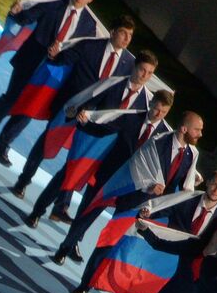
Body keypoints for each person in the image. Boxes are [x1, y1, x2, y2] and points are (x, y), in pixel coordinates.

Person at [0, 16, 138, 184]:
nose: (127, 39)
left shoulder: (130, 64)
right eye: (123, 33)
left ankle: (62, 203)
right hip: (69, 107)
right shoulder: (90, 46)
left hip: (92, 117)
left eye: (130, 35)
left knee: (77, 157)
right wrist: (54, 55)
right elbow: (67, 58)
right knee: (47, 142)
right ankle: (24, 179)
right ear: (112, 32)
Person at [57, 111, 204, 268]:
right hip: (124, 184)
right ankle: (65, 248)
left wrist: (191, 183)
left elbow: (182, 184)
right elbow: (138, 163)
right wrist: (149, 185)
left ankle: (89, 279)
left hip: (142, 203)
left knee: (113, 238)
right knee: (89, 214)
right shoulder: (158, 141)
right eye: (197, 129)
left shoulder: (191, 154)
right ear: (183, 129)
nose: (200, 134)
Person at [99, 172, 217, 293]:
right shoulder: (186, 199)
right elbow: (163, 206)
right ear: (207, 182)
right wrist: (148, 213)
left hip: (185, 270)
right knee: (142, 290)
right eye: (214, 184)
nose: (216, 190)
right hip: (165, 257)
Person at [23, 56, 162, 217]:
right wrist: (81, 113)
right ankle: (37, 212)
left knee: (94, 191)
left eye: (150, 73)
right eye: (142, 70)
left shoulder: (148, 102)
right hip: (91, 138)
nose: (145, 75)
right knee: (68, 174)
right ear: (134, 67)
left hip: (112, 150)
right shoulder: (113, 83)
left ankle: (72, 235)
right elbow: (89, 99)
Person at [0, 0, 100, 155]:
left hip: (51, 73)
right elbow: (30, 16)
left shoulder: (89, 25)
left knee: (29, 107)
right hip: (30, 60)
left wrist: (59, 56)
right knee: (12, 98)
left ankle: (2, 144)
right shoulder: (53, 2)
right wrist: (16, 13)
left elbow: (78, 52)